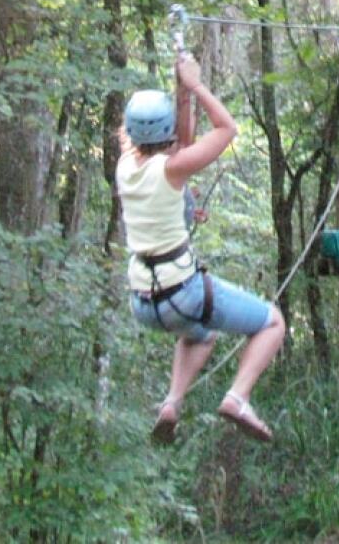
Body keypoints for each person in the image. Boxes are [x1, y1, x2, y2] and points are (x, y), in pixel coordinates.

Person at [117, 55, 284, 444]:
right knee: (272, 323)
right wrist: (194, 85)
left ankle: (172, 403)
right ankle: (238, 397)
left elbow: (183, 144)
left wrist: (181, 90)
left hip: (144, 302)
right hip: (182, 293)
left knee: (200, 335)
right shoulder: (172, 169)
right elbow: (226, 129)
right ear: (167, 132)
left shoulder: (126, 165)